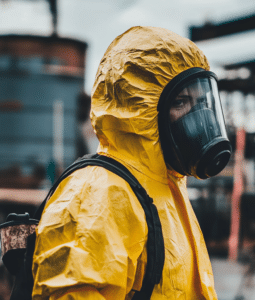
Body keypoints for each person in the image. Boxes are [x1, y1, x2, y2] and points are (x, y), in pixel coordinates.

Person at [32, 26, 231, 300]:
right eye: (182, 102)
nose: (199, 117)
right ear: (140, 109)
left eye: (201, 102)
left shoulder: (166, 187)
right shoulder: (99, 194)